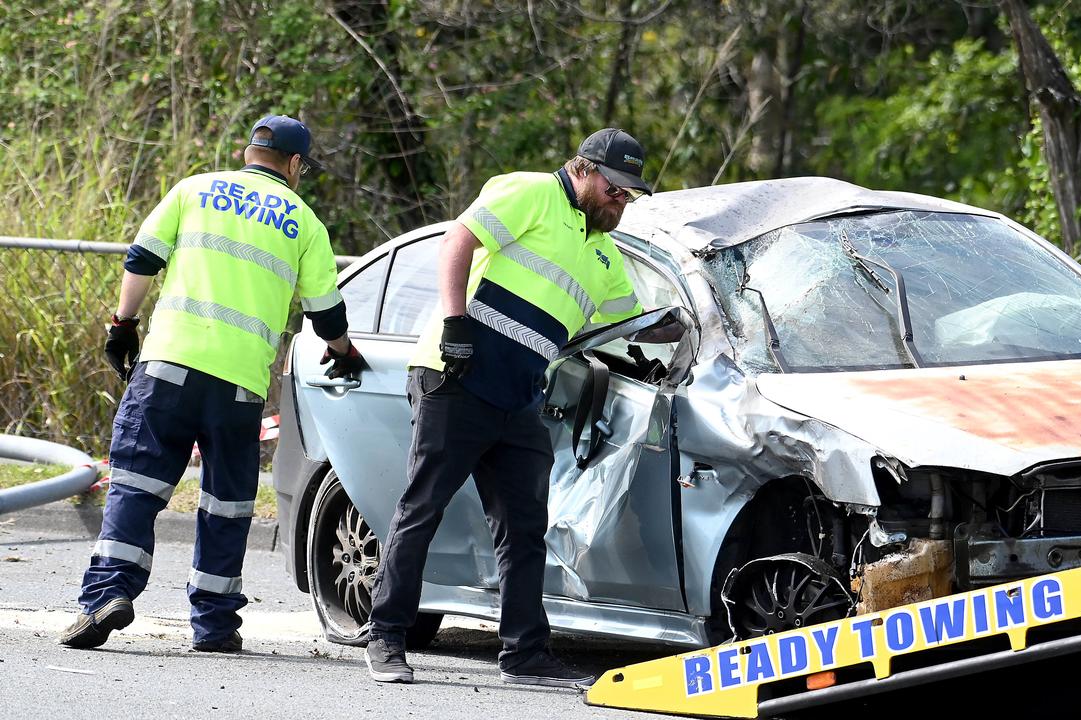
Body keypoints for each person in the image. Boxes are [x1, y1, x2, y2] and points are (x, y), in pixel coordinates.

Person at [60, 114, 367, 653]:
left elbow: (142, 259)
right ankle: (214, 624)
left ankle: (107, 595)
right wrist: (346, 355)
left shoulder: (195, 189)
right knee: (226, 503)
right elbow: (327, 316)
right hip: (238, 387)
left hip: (168, 367)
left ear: (248, 151)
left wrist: (122, 325)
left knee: (137, 485)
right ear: (294, 164)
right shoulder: (305, 223)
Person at [363, 128, 655, 687]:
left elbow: (630, 326)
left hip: (519, 397)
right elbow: (458, 242)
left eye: (630, 195)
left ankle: (525, 656)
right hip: (457, 377)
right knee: (422, 509)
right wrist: (453, 325)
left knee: (525, 528)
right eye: (616, 189)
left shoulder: (604, 254)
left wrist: (679, 328)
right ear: (586, 170)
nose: (622, 201)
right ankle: (386, 638)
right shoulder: (530, 192)